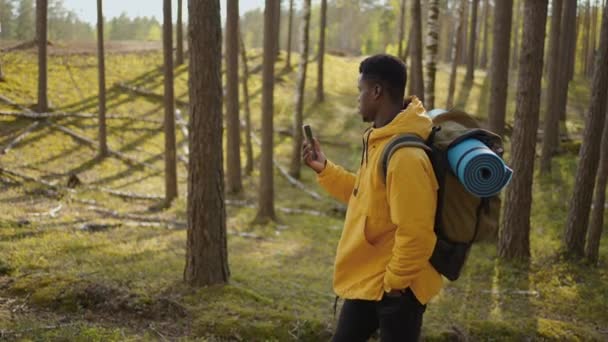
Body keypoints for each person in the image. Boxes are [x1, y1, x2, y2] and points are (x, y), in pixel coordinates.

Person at [302, 54, 443, 341]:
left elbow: (416, 231)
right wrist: (326, 170)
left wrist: (395, 283)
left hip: (398, 288)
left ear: (376, 92)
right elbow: (366, 197)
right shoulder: (382, 140)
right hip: (370, 276)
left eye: (360, 90)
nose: (358, 99)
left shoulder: (405, 157)